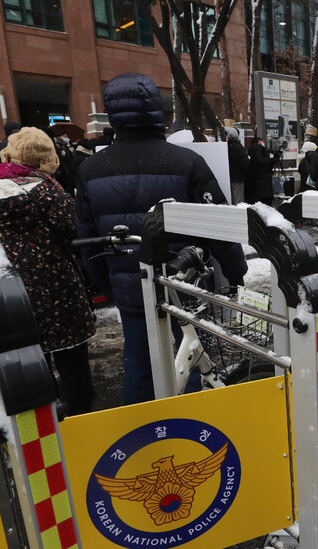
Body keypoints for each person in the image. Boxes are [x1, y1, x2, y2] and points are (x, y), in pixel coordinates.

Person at [76, 72, 247, 405]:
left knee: (140, 365)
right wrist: (235, 271)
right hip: (186, 284)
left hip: (130, 287)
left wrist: (107, 284)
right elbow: (220, 227)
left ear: (112, 114)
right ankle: (198, 428)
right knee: (194, 356)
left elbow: (87, 236)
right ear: (156, 111)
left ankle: (143, 436)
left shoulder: (91, 169)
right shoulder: (187, 162)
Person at [0, 128, 96, 416]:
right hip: (57, 288)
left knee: (31, 358)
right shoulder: (46, 189)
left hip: (9, 292)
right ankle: (80, 415)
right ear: (47, 160)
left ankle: (46, 415)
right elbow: (73, 230)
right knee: (72, 359)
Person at [245, 135, 275, 205]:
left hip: (256, 184)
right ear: (259, 142)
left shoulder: (253, 151)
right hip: (262, 186)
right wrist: (272, 160)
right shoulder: (258, 149)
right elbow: (261, 161)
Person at [226, 127, 250, 204]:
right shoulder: (239, 148)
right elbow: (245, 164)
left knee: (230, 199)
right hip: (238, 178)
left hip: (227, 177)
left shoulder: (225, 147)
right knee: (238, 199)